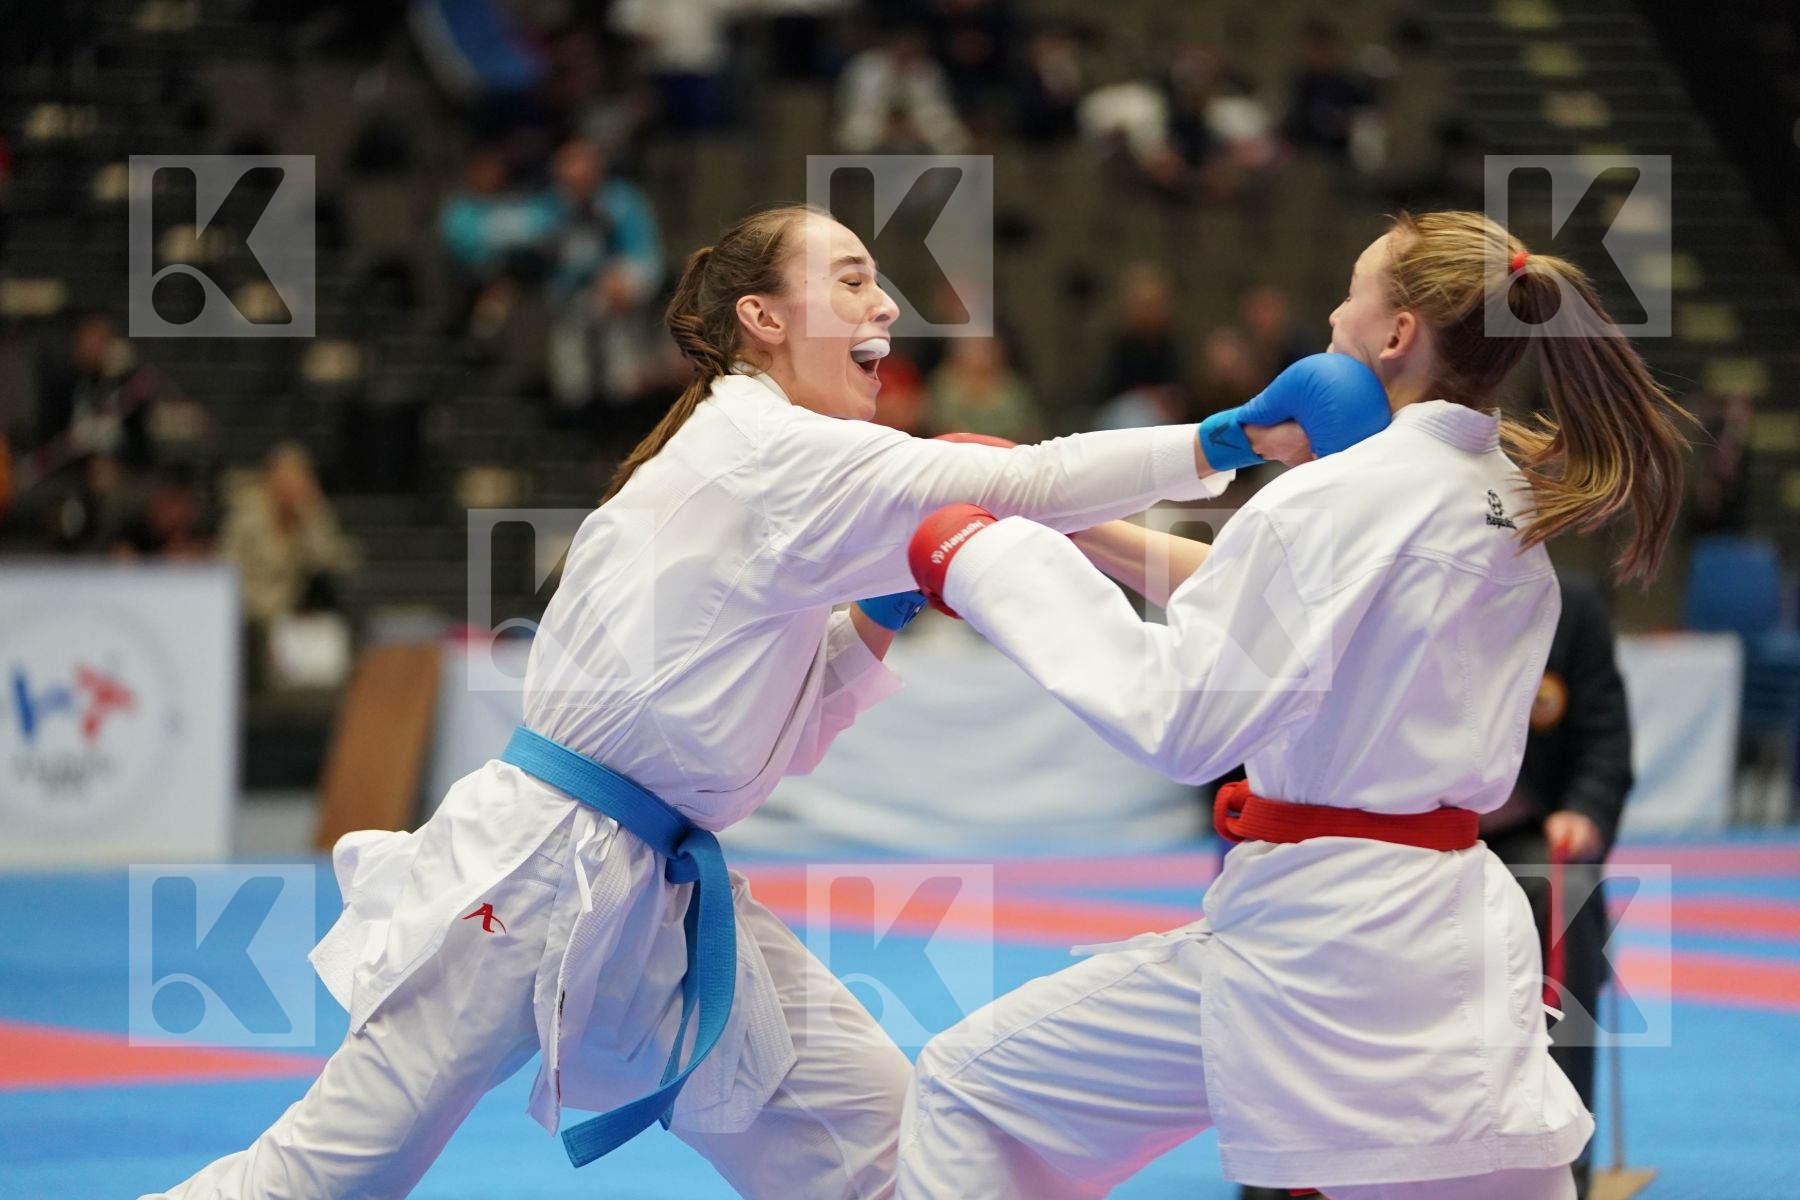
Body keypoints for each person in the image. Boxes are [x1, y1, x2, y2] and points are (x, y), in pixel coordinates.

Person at [143, 202, 1373, 1200]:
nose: (884, 306)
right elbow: (1037, 475)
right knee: (322, 1179)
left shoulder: (788, 473)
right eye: (848, 281)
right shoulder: (767, 448)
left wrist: (880, 618)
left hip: (668, 894)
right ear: (763, 319)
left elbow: (764, 745)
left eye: (879, 282)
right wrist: (1232, 435)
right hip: (530, 879)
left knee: (889, 1152)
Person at [899, 210, 1689, 1199]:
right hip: (1454, 933)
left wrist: (985, 561)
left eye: (1349, 293)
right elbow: (1285, 614)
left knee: (972, 1094)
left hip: (1317, 942)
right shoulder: (1514, 499)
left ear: (1396, 335)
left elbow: (1180, 716)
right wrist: (1071, 522)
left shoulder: (1332, 499)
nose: (1328, 311)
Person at [1482, 571, 1634, 1200]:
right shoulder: (1397, 584)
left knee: (1564, 897)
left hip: (1521, 831)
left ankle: (1561, 1168)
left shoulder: (1571, 606)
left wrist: (1587, 811)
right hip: (1403, 833)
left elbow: (1605, 740)